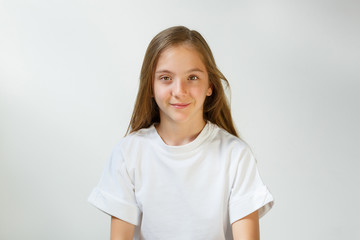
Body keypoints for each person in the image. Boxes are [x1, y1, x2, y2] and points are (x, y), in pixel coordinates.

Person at [88, 26, 274, 240]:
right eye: (166, 78)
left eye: (192, 77)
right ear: (150, 86)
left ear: (210, 85)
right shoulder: (128, 153)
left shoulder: (236, 156)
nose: (180, 91)